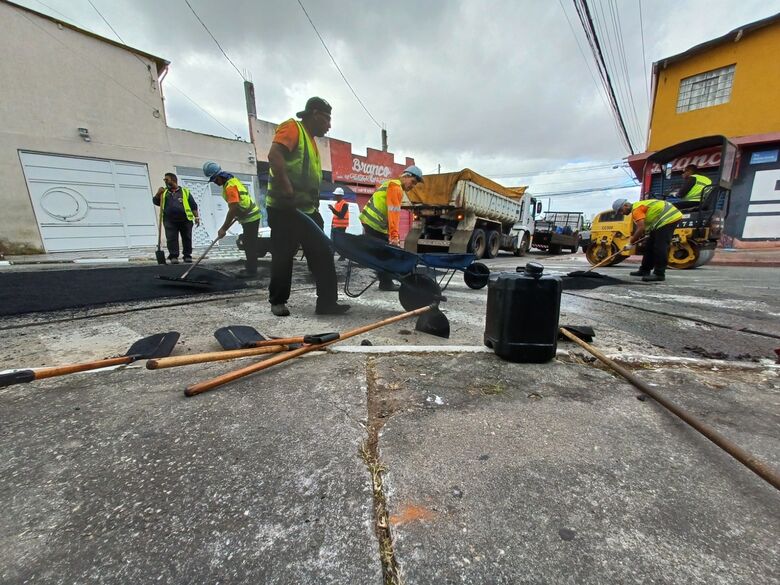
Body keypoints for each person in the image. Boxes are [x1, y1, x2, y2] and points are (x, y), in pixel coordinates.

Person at [266, 97, 349, 317]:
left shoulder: (311, 141)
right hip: (285, 208)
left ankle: (327, 304)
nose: (329, 125)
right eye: (327, 119)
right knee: (283, 254)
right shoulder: (293, 128)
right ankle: (278, 301)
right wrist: (286, 188)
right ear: (315, 114)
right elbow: (274, 154)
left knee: (322, 253)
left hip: (307, 210)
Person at [359, 165, 424, 291]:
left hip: (372, 223)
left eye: (415, 184)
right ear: (407, 176)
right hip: (375, 224)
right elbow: (393, 213)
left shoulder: (392, 184)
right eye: (413, 182)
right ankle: (386, 283)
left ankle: (385, 282)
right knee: (385, 254)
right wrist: (394, 237)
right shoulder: (396, 187)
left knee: (381, 254)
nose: (413, 186)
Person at [202, 162, 261, 278]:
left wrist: (223, 228)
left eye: (215, 179)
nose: (214, 182)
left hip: (251, 217)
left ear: (220, 176)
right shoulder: (232, 180)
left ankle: (252, 271)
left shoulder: (230, 187)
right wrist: (240, 213)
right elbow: (240, 203)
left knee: (249, 245)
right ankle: (251, 268)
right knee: (249, 243)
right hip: (248, 215)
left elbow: (233, 209)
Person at [613, 197, 683, 282]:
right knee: (649, 246)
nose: (622, 213)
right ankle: (645, 270)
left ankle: (659, 274)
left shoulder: (636, 210)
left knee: (660, 247)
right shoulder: (637, 208)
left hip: (669, 218)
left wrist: (630, 243)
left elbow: (640, 228)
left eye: (621, 211)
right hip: (661, 222)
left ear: (626, 206)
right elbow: (645, 227)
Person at [152, 173, 200, 264]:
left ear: (174, 180)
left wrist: (196, 217)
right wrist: (158, 194)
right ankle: (173, 256)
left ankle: (187, 256)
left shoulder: (185, 192)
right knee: (171, 238)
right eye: (164, 180)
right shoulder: (164, 193)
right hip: (169, 220)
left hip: (185, 220)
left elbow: (193, 205)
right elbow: (156, 202)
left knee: (187, 238)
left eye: (167, 179)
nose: (165, 181)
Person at [328, 187, 349, 261]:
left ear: (340, 196)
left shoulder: (345, 204)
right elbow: (335, 216)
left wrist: (332, 210)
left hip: (341, 226)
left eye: (336, 195)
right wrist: (332, 224)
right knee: (333, 241)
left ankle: (342, 256)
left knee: (339, 242)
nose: (335, 196)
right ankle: (332, 254)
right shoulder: (337, 203)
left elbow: (341, 215)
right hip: (335, 226)